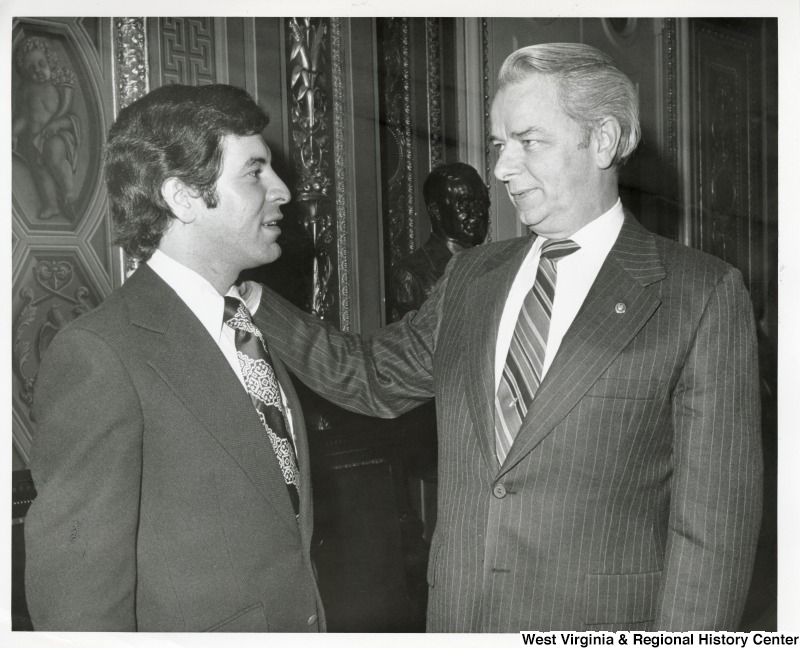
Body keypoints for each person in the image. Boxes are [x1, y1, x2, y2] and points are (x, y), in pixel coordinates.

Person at [255, 43, 763, 631]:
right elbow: (372, 378)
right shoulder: (474, 274)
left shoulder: (699, 293)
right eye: (500, 144)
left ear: (601, 140)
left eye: (529, 141)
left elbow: (714, 531)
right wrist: (251, 299)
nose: (500, 169)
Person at [24, 84, 325, 632]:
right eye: (254, 171)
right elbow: (78, 605)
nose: (282, 190)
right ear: (183, 196)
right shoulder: (101, 354)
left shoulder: (245, 325)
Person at [391, 162, 490, 319]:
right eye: (465, 203)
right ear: (436, 211)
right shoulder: (411, 275)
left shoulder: (494, 264)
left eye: (481, 203)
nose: (478, 213)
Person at [12, 36, 81, 220]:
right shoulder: (26, 90)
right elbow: (24, 118)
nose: (37, 70)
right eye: (31, 68)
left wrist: (57, 124)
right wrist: (12, 133)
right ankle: (51, 205)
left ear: (50, 60)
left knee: (56, 158)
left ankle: (68, 191)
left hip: (55, 135)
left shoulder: (56, 86)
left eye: (41, 63)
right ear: (25, 71)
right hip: (34, 141)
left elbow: (67, 115)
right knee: (42, 175)